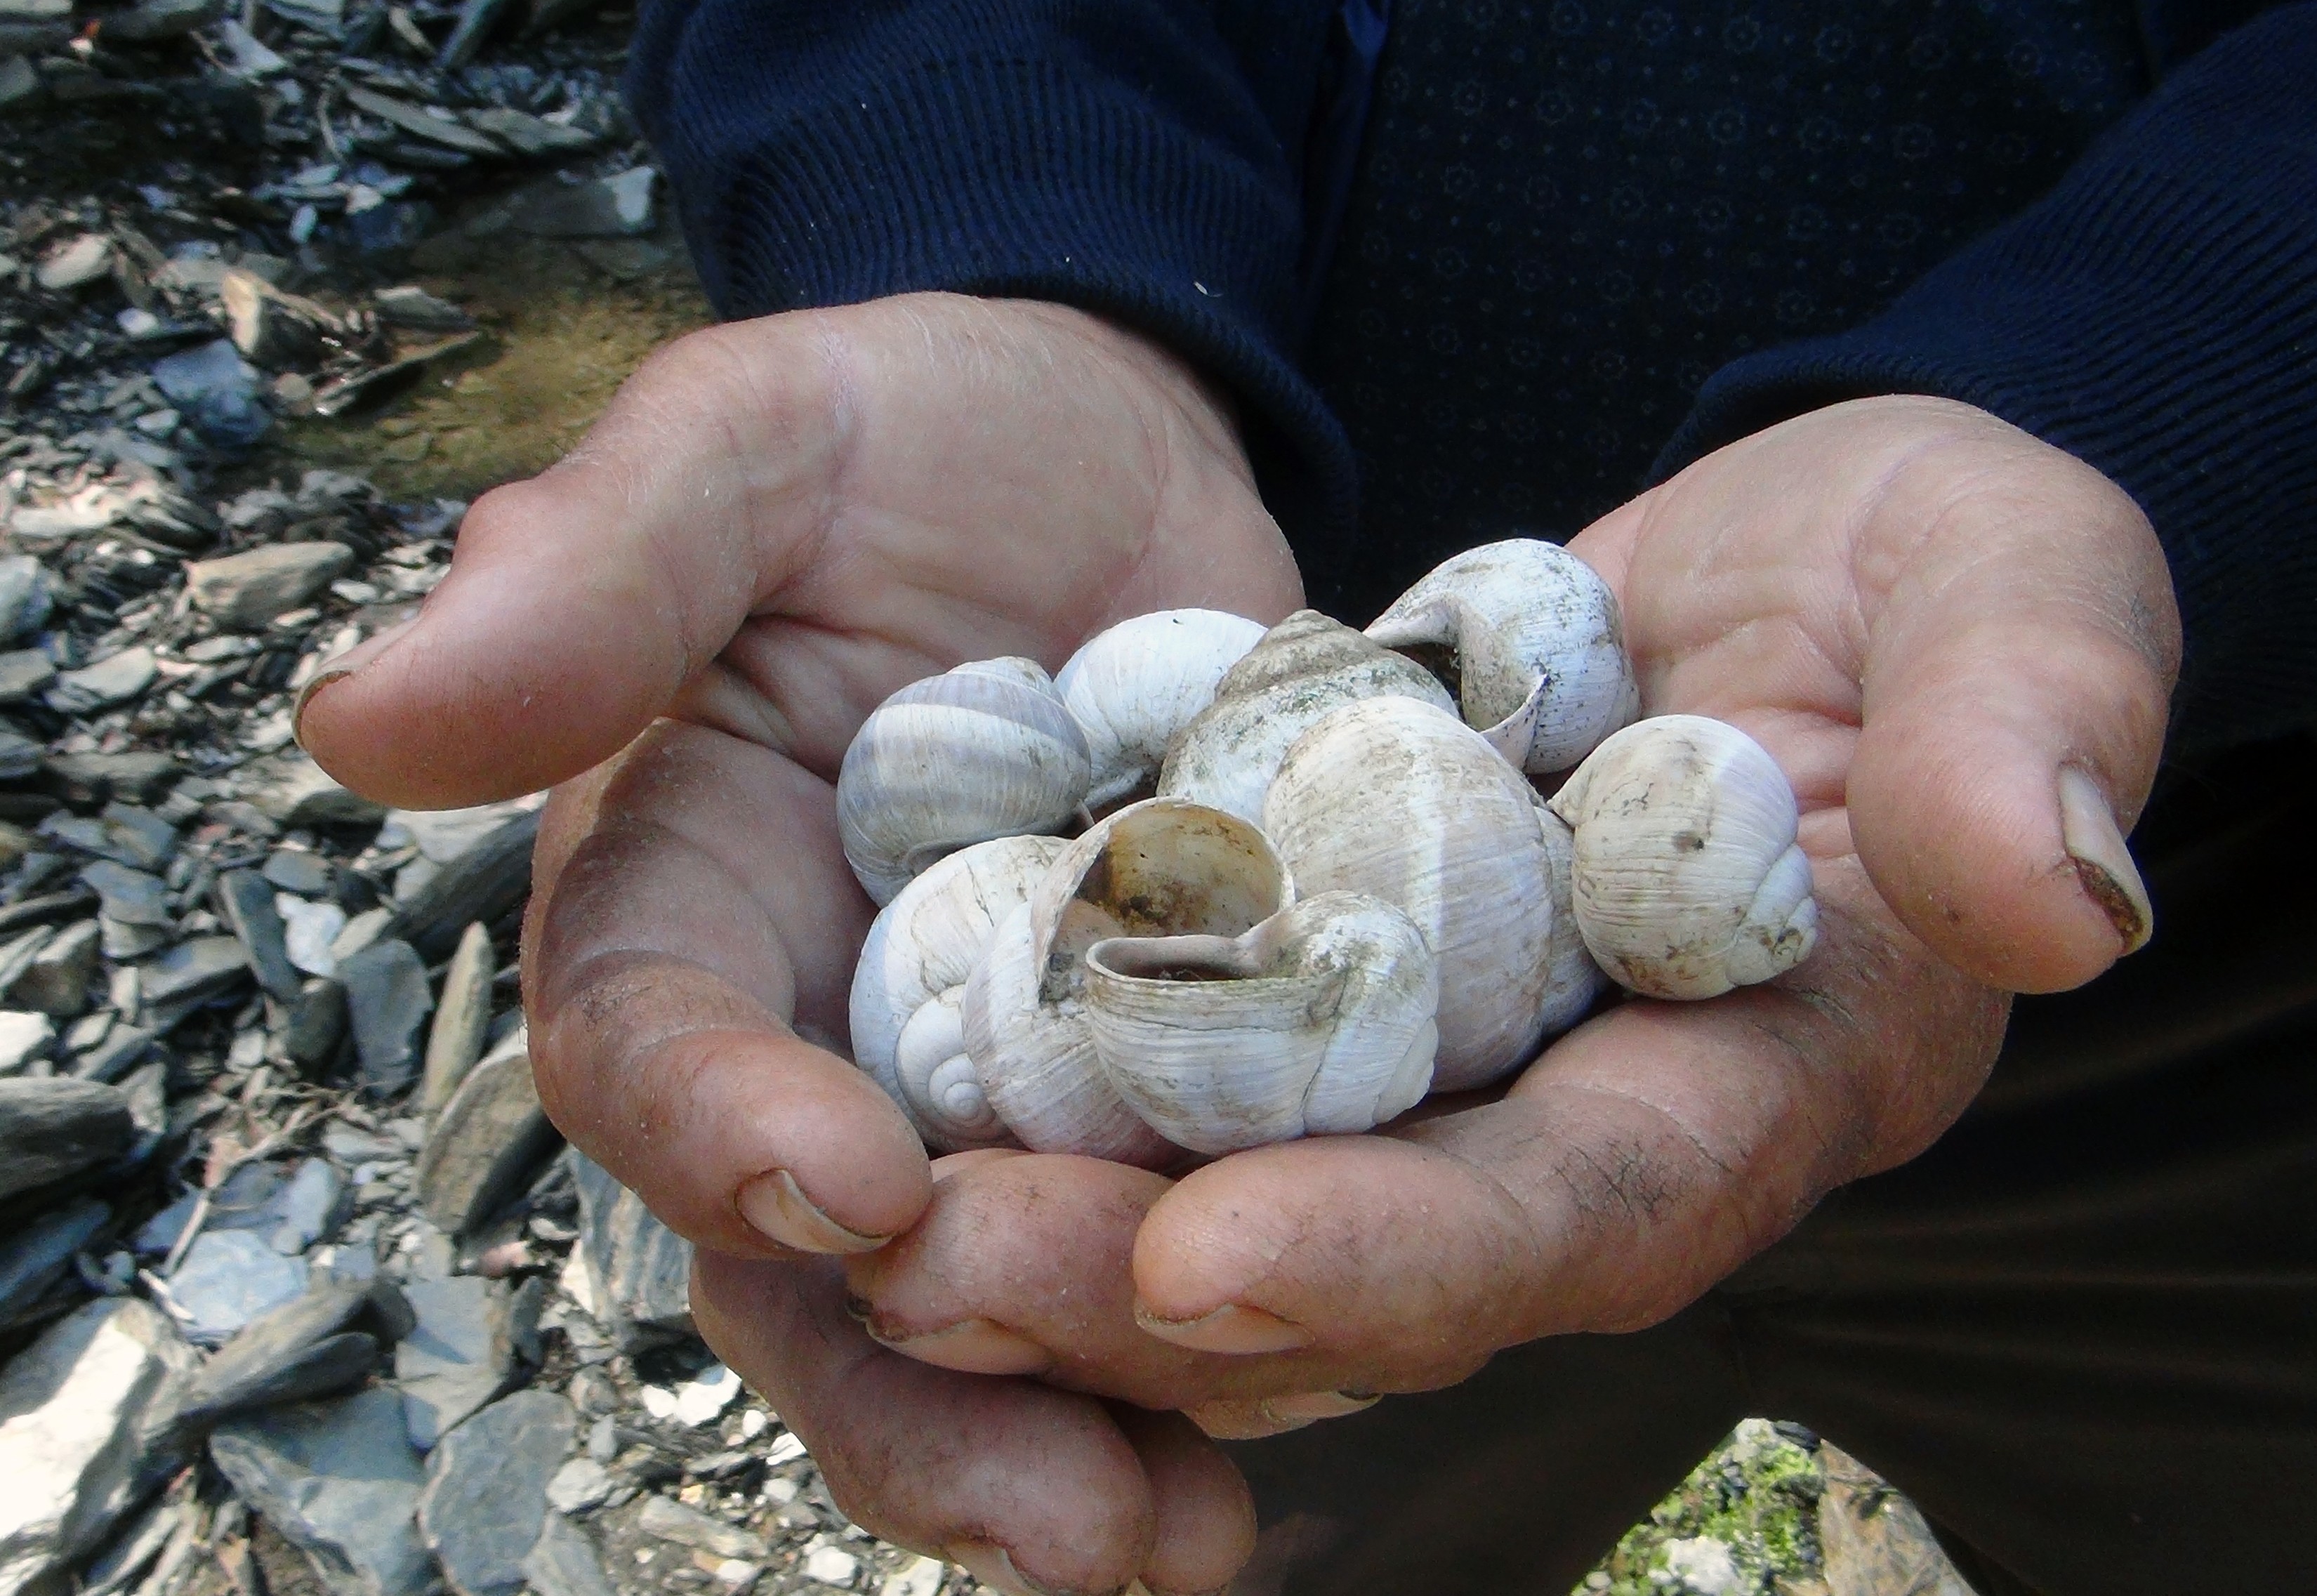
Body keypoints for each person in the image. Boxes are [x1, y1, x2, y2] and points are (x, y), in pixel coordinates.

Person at [295, 2, 2317, 1591]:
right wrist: (991, 241)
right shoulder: (1223, 839)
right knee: (1242, 1455)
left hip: (2216, 981)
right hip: (1347, 1030)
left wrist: (2155, 407)